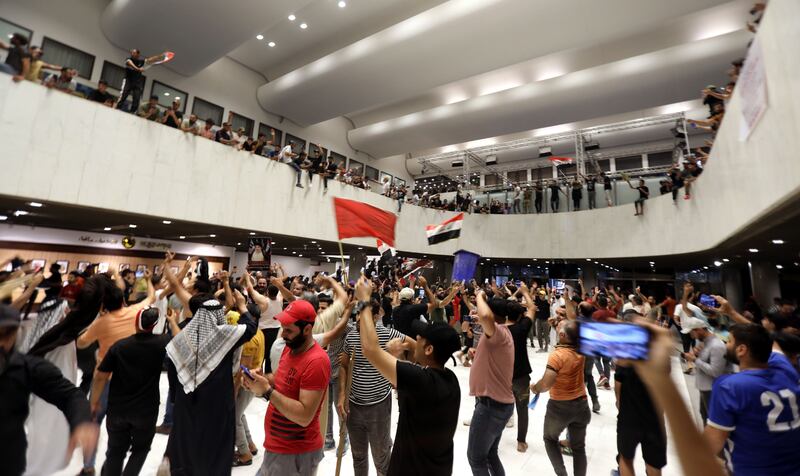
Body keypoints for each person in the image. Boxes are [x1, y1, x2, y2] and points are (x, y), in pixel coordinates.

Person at [352, 276, 461, 475]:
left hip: (411, 468)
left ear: (429, 350)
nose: (416, 338)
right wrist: (397, 359)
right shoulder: (451, 379)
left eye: (421, 338)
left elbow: (370, 349)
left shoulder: (419, 379)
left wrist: (364, 301)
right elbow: (413, 385)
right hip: (438, 467)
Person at [0, 304, 99, 476]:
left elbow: (71, 395)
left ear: (15, 334)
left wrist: (81, 422)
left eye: (6, 334)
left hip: (8, 460)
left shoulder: (26, 368)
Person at [165, 292, 256, 476]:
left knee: (186, 441)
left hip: (187, 401)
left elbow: (172, 370)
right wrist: (242, 306)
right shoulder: (225, 336)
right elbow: (251, 327)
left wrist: (175, 397)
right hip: (218, 402)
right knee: (215, 445)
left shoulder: (182, 339)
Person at [76, 269, 156, 475]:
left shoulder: (102, 323)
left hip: (104, 380)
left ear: (103, 304)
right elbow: (152, 297)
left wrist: (96, 322)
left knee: (94, 422)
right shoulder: (135, 312)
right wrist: (148, 279)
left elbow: (82, 342)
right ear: (123, 300)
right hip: (128, 382)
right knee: (121, 429)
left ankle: (88, 466)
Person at [243, 299, 330, 476]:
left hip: (295, 453)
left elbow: (305, 416)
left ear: (307, 329)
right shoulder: (289, 349)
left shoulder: (317, 362)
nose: (283, 334)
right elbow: (280, 380)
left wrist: (267, 391)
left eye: (289, 330)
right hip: (277, 447)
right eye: (283, 328)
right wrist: (261, 379)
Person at [704, 323, 800, 475]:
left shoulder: (729, 386)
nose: (726, 344)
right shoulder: (785, 369)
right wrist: (733, 314)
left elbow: (712, 443)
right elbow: (769, 341)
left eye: (729, 341)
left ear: (741, 350)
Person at [89, 307, 176, 476]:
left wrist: (94, 401)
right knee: (141, 449)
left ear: (135, 323)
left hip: (118, 409)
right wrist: (172, 322)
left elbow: (100, 376)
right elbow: (180, 341)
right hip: (146, 410)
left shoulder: (119, 346)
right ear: (154, 325)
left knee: (115, 450)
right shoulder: (162, 342)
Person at [338, 298, 411, 476]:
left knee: (381, 456)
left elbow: (414, 346)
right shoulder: (352, 336)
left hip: (379, 404)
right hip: (354, 404)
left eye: (364, 316)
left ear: (377, 316)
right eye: (357, 315)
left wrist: (399, 367)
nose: (358, 320)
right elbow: (344, 365)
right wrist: (341, 395)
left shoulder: (387, 334)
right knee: (358, 456)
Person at [531, 319, 591, 476]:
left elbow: (546, 384)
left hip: (560, 407)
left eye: (559, 328)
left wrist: (535, 388)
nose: (557, 327)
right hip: (582, 405)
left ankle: (561, 474)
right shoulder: (581, 349)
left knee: (550, 439)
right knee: (578, 447)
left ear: (563, 335)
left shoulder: (557, 356)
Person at [467, 290, 515, 476]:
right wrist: (476, 356)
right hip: (498, 404)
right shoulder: (503, 333)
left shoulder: (499, 333)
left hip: (491, 406)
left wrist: (479, 295)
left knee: (476, 458)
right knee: (490, 455)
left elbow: (485, 316)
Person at [614, 356, 667, 476]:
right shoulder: (661, 354)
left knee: (626, 459)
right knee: (653, 462)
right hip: (654, 417)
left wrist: (620, 406)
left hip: (629, 416)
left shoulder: (626, 354)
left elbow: (618, 383)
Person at [233, 303, 265, 466]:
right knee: (240, 413)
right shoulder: (258, 332)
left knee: (234, 417)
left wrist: (234, 390)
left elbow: (243, 370)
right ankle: (250, 445)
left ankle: (245, 454)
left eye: (242, 314)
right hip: (254, 380)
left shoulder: (250, 339)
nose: (239, 317)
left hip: (247, 383)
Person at [680, 317, 729, 424]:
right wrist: (698, 355)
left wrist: (695, 360)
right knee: (704, 415)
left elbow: (716, 371)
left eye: (691, 332)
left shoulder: (717, 346)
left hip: (712, 390)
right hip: (705, 387)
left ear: (699, 329)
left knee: (712, 420)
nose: (690, 336)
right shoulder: (704, 343)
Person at [508, 284, 535, 452]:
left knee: (499, 405)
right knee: (522, 408)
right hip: (521, 376)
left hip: (501, 376)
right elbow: (532, 308)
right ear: (520, 316)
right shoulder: (522, 328)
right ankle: (521, 441)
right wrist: (525, 292)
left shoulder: (497, 329)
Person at [116, 49, 159, 113]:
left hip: (137, 83)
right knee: (123, 96)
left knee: (136, 98)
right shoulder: (128, 60)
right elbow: (130, 64)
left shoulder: (141, 62)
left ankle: (132, 112)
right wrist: (138, 69)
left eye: (134, 53)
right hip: (128, 81)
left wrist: (159, 57)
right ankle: (117, 108)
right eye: (132, 52)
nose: (132, 53)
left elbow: (149, 60)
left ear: (138, 55)